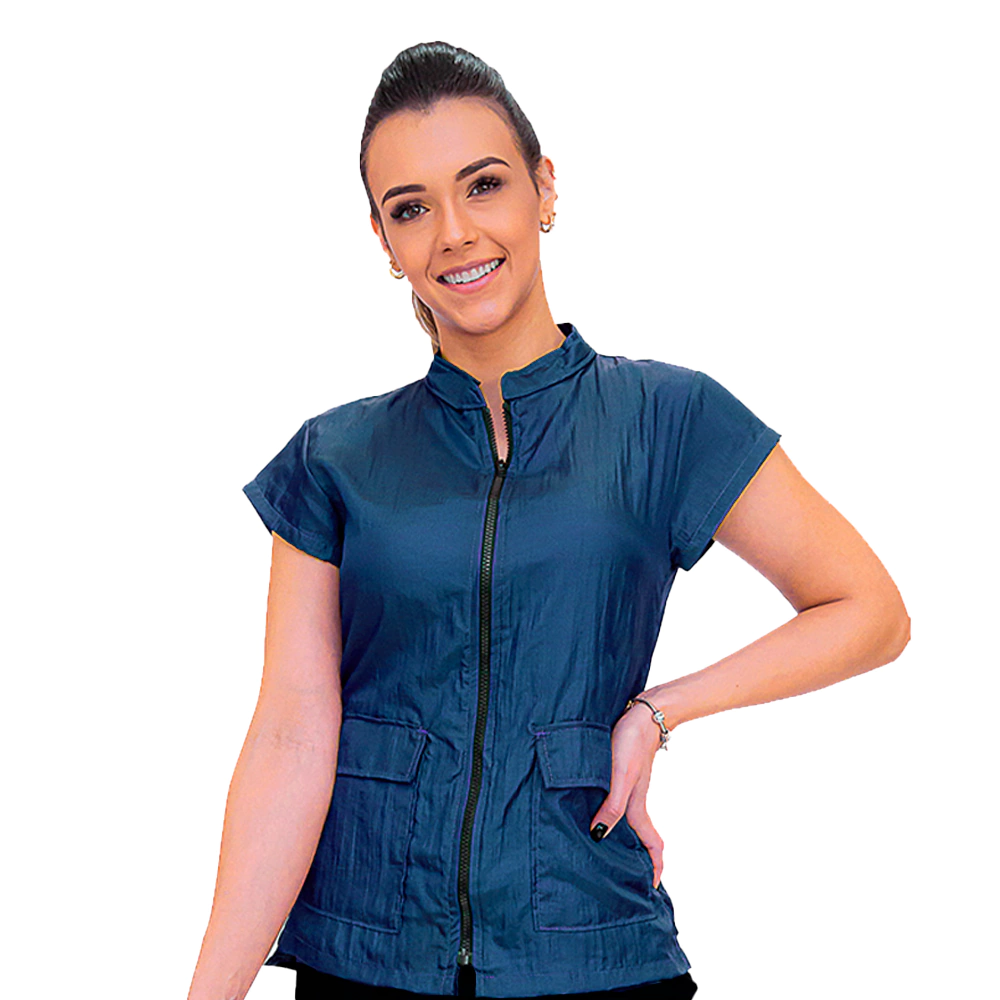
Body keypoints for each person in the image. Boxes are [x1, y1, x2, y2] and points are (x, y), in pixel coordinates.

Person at [187, 41, 910, 1000]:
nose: (454, 233)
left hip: (592, 947)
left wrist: (659, 711)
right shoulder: (336, 458)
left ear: (545, 189)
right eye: (411, 208)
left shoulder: (668, 419)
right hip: (363, 957)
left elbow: (869, 610)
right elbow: (290, 735)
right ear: (384, 241)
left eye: (483, 185)